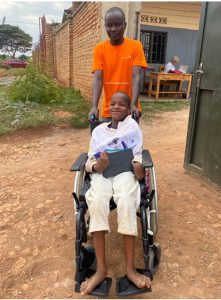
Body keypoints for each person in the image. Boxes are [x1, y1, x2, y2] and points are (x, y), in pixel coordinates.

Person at [80, 91, 151, 296]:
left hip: (125, 172)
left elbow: (138, 157)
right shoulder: (99, 132)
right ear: (107, 108)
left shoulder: (132, 128)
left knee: (127, 200)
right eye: (113, 104)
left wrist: (139, 169)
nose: (116, 107)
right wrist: (97, 166)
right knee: (97, 201)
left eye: (122, 104)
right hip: (102, 173)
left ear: (129, 110)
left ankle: (129, 269)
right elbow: (89, 162)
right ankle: (101, 271)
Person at [89, 7, 147, 122]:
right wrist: (94, 106)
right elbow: (98, 79)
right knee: (108, 139)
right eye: (109, 25)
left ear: (125, 25)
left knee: (129, 140)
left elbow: (136, 76)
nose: (113, 29)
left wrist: (134, 104)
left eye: (118, 25)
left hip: (130, 109)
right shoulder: (99, 49)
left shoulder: (135, 47)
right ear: (105, 26)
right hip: (110, 109)